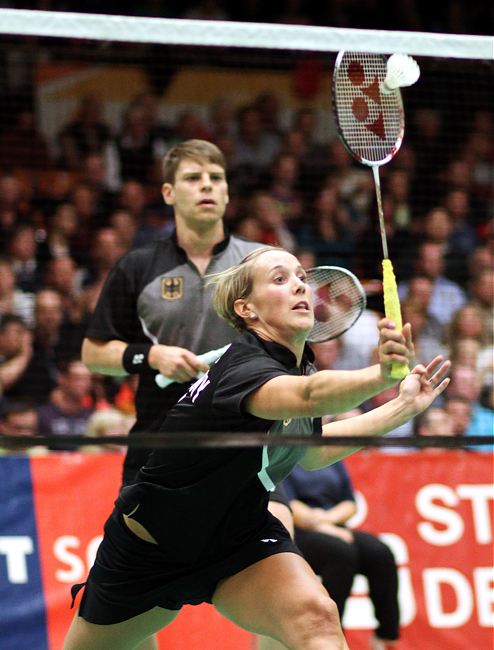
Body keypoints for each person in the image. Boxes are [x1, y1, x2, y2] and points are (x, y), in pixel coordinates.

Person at [65, 246, 449, 650]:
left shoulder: (297, 366)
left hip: (239, 538)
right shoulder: (243, 367)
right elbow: (308, 397)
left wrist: (401, 406)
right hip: (151, 551)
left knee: (316, 618)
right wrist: (381, 374)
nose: (300, 285)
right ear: (246, 309)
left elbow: (311, 451)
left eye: (302, 277)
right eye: (280, 279)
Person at [81, 139, 263, 486]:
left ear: (227, 193)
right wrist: (152, 355)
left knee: (279, 537)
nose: (207, 185)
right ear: (168, 193)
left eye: (216, 177)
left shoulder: (259, 264)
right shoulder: (137, 267)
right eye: (193, 178)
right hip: (158, 442)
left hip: (244, 443)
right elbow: (93, 355)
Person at [283, 456, 401, 650]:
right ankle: (330, 638)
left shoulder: (329, 456)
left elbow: (350, 503)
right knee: (340, 553)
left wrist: (328, 521)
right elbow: (289, 505)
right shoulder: (285, 454)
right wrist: (322, 526)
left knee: (380, 553)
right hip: (298, 532)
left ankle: (387, 637)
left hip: (334, 526)